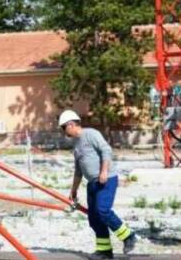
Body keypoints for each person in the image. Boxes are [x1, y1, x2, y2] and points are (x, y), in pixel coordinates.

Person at [60, 110, 137, 258]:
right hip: (92, 183)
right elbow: (78, 170)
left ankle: (128, 236)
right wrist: (73, 190)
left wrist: (104, 172)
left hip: (106, 180)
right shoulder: (76, 145)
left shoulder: (90, 134)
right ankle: (105, 251)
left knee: (103, 211)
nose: (64, 131)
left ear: (71, 124)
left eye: (64, 127)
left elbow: (106, 150)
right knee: (94, 218)